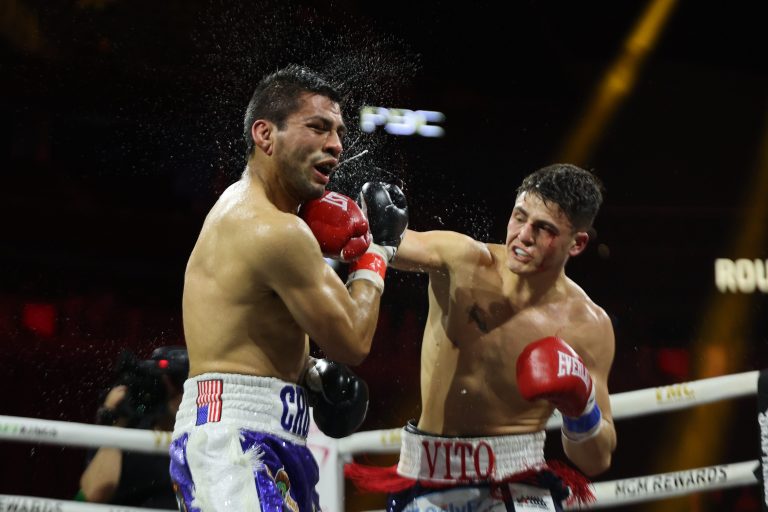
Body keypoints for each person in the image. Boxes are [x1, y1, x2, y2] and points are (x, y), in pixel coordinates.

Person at [169, 64, 408, 512]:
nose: (335, 145)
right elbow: (354, 339)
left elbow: (247, 329)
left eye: (337, 131)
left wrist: (309, 372)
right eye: (317, 127)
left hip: (254, 434)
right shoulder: (275, 230)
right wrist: (379, 253)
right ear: (265, 135)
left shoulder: (245, 210)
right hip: (236, 444)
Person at [346, 163, 616, 511]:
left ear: (577, 243)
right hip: (428, 479)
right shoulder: (464, 261)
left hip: (520, 485)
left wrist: (583, 405)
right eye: (519, 217)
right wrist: (365, 219)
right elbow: (389, 240)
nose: (524, 235)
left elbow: (596, 460)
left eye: (544, 229)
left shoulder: (588, 325)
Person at [78, 346, 188, 508]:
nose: (170, 389)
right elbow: (95, 494)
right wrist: (117, 425)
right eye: (164, 381)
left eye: (179, 381)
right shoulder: (126, 430)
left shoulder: (209, 436)